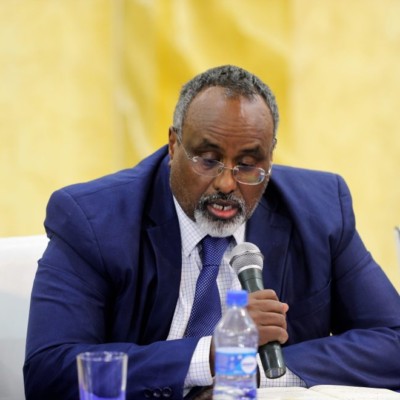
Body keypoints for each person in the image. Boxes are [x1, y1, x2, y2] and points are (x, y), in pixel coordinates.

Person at [24, 65, 400, 400]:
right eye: (208, 159)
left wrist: (248, 372)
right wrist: (212, 354)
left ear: (271, 157)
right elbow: (50, 371)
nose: (226, 183)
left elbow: (393, 339)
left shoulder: (320, 210)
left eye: (248, 165)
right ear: (173, 145)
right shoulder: (93, 219)